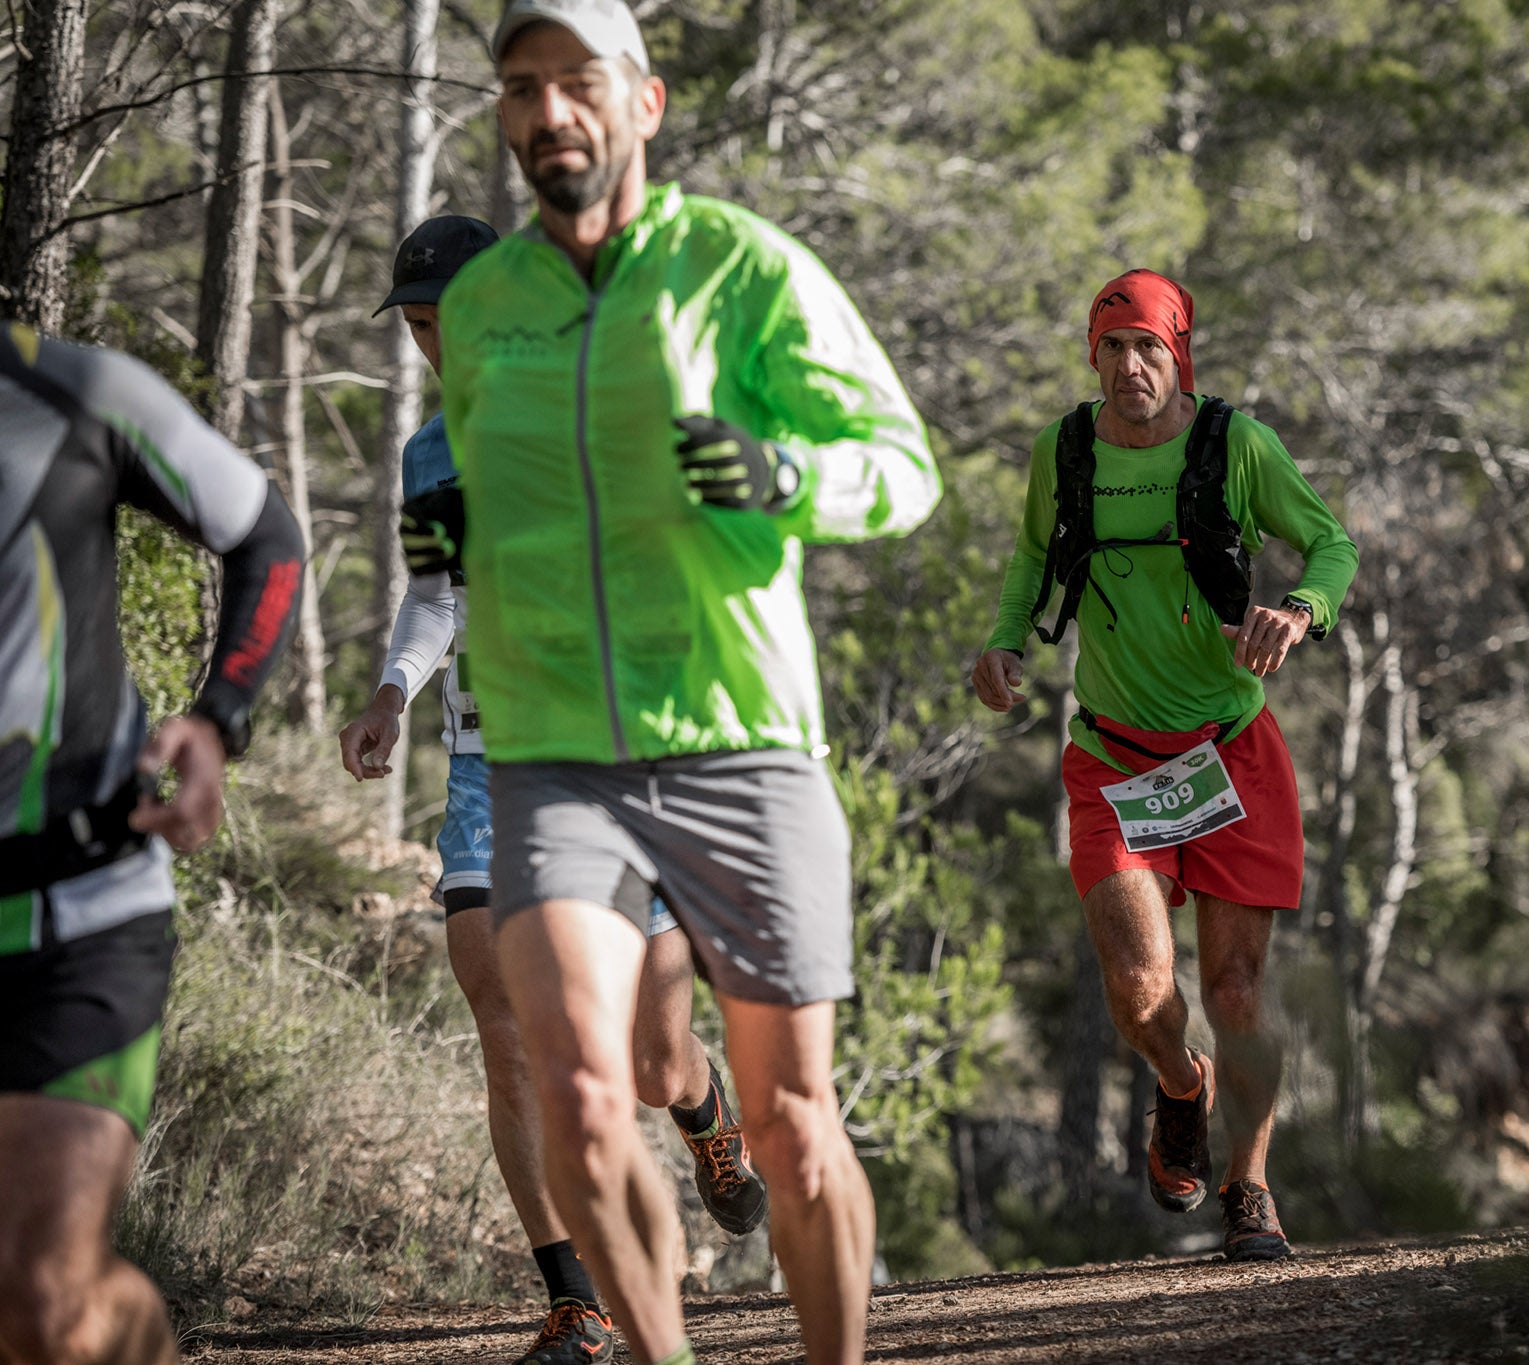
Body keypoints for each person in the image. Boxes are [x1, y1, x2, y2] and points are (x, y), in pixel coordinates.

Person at [404, 3, 940, 1361]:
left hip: (737, 740)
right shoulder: (480, 310)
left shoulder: (739, 268)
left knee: (793, 1128)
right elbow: (494, 506)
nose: (546, 113)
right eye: (520, 89)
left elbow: (900, 464)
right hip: (548, 751)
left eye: (576, 82)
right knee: (585, 1099)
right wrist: (455, 551)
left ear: (643, 103)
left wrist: (786, 478)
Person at [339, 214, 769, 1365]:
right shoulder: (431, 449)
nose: (432, 345)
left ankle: (702, 1111)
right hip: (492, 763)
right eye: (418, 328)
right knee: (506, 1026)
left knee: (647, 1058)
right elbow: (439, 596)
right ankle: (571, 1297)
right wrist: (388, 692)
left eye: (445, 320)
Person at [973, 269, 1358, 1261]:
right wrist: (1006, 641)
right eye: (1112, 348)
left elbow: (1328, 543)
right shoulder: (1065, 451)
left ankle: (1249, 1189)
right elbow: (1028, 554)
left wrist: (1301, 610)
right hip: (1111, 761)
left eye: (1149, 346)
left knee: (1234, 993)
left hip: (1229, 759)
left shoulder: (1235, 447)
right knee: (1143, 995)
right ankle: (1181, 1089)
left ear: (1177, 353)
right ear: (1091, 357)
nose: (1131, 365)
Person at [0, 325, 304, 1364]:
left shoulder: (71, 390)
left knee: (42, 1300)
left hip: (83, 907)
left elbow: (267, 534)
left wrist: (218, 720)